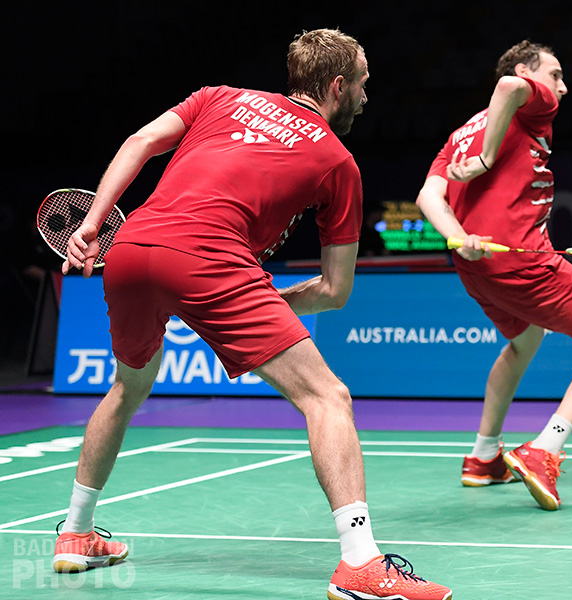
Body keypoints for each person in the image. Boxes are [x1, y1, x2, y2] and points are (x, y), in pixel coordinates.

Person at [55, 28, 450, 600]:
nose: (367, 96)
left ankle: (75, 531)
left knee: (127, 387)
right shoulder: (337, 162)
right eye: (364, 84)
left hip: (131, 247)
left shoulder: (219, 96)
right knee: (327, 396)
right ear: (338, 86)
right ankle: (361, 564)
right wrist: (264, 301)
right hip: (212, 259)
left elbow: (140, 141)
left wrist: (95, 221)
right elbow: (335, 290)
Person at [415, 41, 572, 511]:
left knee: (524, 341)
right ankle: (544, 449)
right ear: (528, 72)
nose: (562, 86)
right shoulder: (535, 104)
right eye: (555, 74)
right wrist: (486, 159)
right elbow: (507, 86)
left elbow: (428, 197)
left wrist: (458, 238)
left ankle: (483, 457)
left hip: (476, 264)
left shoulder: (460, 132)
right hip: (524, 261)